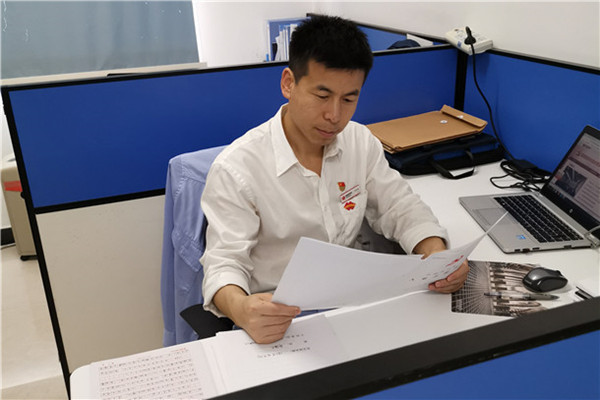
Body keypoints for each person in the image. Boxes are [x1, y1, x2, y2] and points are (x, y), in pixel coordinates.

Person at [200, 15, 469, 344]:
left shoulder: (360, 142)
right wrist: (242, 309)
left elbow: (400, 207)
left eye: (349, 99)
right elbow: (223, 264)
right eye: (322, 96)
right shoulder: (237, 169)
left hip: (351, 304)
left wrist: (439, 258)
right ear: (288, 83)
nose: (334, 116)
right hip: (279, 315)